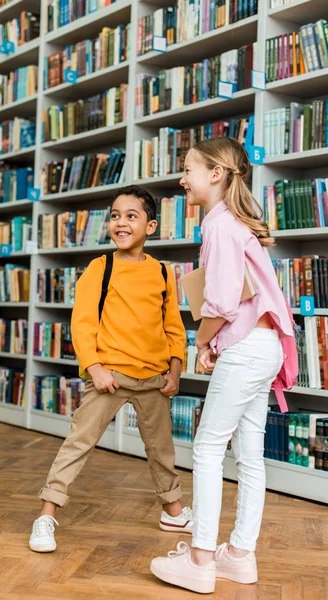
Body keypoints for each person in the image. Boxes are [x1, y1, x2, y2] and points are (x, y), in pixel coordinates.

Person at [150, 137, 294, 594]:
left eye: (188, 169)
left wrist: (203, 342)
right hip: (265, 345)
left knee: (208, 448)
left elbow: (224, 299)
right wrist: (217, 337)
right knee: (249, 455)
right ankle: (240, 555)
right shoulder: (238, 224)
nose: (181, 179)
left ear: (215, 174)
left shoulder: (219, 225)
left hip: (246, 346)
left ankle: (199, 559)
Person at [29, 184, 192, 553]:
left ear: (150, 227)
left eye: (131, 216)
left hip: (154, 379)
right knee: (78, 443)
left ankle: (174, 510)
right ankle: (46, 513)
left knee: (161, 450)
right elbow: (83, 323)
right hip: (110, 378)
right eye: (115, 216)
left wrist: (176, 368)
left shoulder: (164, 273)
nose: (120, 222)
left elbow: (173, 327)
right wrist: (95, 366)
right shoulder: (99, 269)